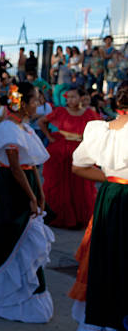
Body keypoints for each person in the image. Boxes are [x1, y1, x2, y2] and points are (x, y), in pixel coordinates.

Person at [0, 82, 54, 323]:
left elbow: (33, 166)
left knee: (24, 238)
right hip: (11, 188)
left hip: (26, 183)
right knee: (7, 238)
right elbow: (16, 168)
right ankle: (1, 294)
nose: (37, 104)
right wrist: (31, 196)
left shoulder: (25, 129)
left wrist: (40, 194)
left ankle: (23, 294)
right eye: (34, 100)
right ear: (23, 103)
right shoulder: (9, 129)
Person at [70, 80, 128, 330]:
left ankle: (107, 315)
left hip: (111, 194)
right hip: (120, 196)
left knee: (107, 255)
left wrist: (113, 176)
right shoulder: (100, 129)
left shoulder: (101, 129)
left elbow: (78, 166)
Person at [38, 87, 99, 229]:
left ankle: (79, 218)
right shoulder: (60, 111)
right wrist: (49, 137)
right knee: (60, 184)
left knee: (80, 185)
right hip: (61, 150)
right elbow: (42, 122)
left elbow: (98, 130)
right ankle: (59, 216)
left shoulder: (90, 113)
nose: (69, 100)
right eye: (68, 97)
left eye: (73, 97)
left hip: (80, 149)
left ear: (81, 98)